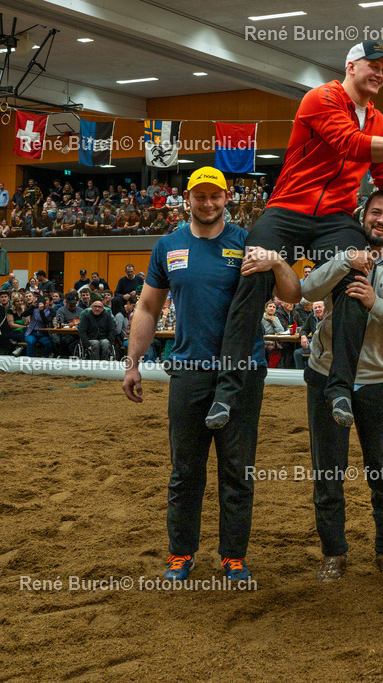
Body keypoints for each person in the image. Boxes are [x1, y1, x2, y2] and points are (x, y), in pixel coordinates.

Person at [205, 42, 383, 431]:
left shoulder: (379, 121)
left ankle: (340, 388)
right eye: (373, 65)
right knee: (252, 271)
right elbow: (351, 144)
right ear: (350, 66)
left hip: (335, 217)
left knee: (355, 275)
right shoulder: (322, 98)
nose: (380, 73)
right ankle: (227, 389)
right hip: (287, 209)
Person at [122, 166, 301, 582]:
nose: (207, 203)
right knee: (185, 469)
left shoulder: (248, 243)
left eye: (215, 196)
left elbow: (293, 294)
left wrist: (276, 261)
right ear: (188, 198)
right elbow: (147, 309)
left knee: (238, 469)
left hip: (243, 372)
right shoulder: (168, 246)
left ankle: (233, 554)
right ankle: (180, 552)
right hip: (188, 370)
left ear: (227, 199)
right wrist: (133, 363)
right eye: (200, 196)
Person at [301, 189, 383, 581]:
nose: (382, 221)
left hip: (378, 382)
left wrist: (376, 302)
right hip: (324, 377)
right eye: (376, 212)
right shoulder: (340, 255)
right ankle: (333, 554)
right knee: (328, 473)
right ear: (363, 214)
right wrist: (343, 262)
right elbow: (307, 292)